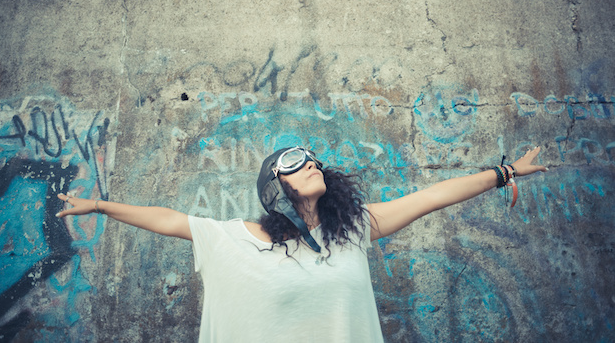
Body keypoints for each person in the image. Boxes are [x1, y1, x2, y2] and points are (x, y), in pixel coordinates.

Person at [56, 146, 547, 342]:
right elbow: (169, 219)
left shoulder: (353, 231)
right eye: (294, 161)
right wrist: (100, 207)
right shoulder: (231, 239)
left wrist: (501, 173)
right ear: (275, 185)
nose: (311, 162)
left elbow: (431, 197)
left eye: (313, 158)